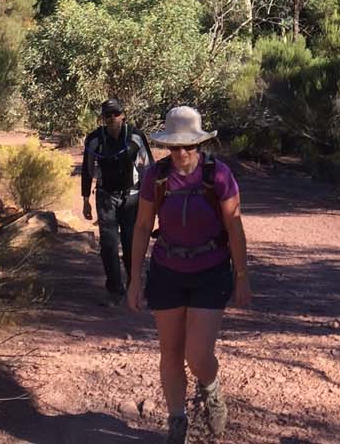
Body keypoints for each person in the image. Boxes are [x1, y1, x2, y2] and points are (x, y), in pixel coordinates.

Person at [128, 106, 251, 444]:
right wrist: (134, 279)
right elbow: (141, 227)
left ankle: (210, 389)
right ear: (166, 146)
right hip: (167, 270)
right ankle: (177, 420)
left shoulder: (219, 175)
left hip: (210, 271)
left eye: (188, 146)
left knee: (197, 355)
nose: (181, 153)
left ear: (199, 144)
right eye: (175, 146)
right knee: (169, 352)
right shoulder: (157, 176)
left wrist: (242, 275)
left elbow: (235, 227)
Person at [81, 99, 153, 303]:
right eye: (107, 115)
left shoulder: (136, 137)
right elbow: (87, 170)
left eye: (115, 114)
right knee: (109, 243)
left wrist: (151, 199)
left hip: (132, 196)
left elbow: (149, 168)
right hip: (105, 196)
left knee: (131, 241)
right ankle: (114, 288)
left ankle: (134, 284)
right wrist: (85, 199)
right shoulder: (95, 140)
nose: (112, 118)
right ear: (103, 118)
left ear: (123, 115)